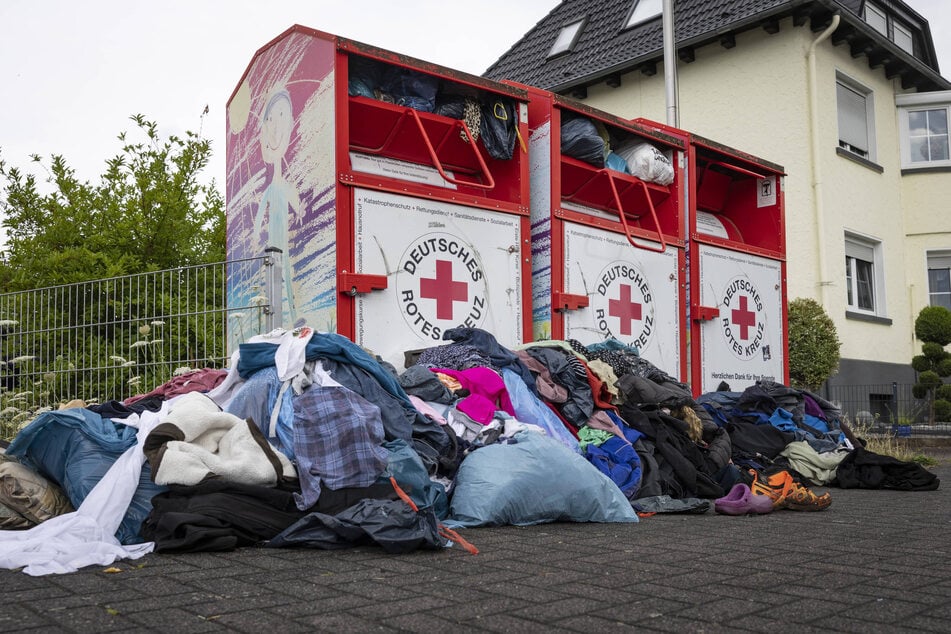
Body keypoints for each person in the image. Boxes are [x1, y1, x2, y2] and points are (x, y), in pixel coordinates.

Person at [254, 88, 301, 325]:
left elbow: (296, 203)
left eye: (281, 117)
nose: (275, 127)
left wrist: (300, 210)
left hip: (283, 241)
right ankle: (281, 322)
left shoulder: (284, 186)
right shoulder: (272, 188)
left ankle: (292, 317)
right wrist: (255, 235)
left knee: (287, 274)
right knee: (277, 276)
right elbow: (262, 210)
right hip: (274, 241)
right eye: (270, 119)